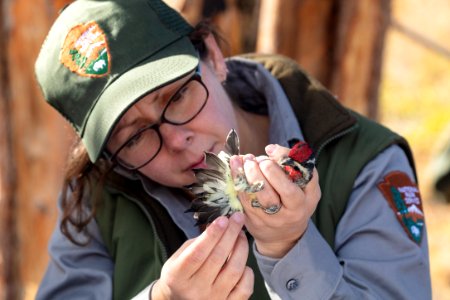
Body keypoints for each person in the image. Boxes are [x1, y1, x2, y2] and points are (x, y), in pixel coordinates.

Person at [34, 0, 432, 299]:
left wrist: (291, 250)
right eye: (134, 136)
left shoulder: (363, 162)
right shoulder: (100, 190)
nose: (175, 140)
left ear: (214, 56)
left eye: (176, 97)